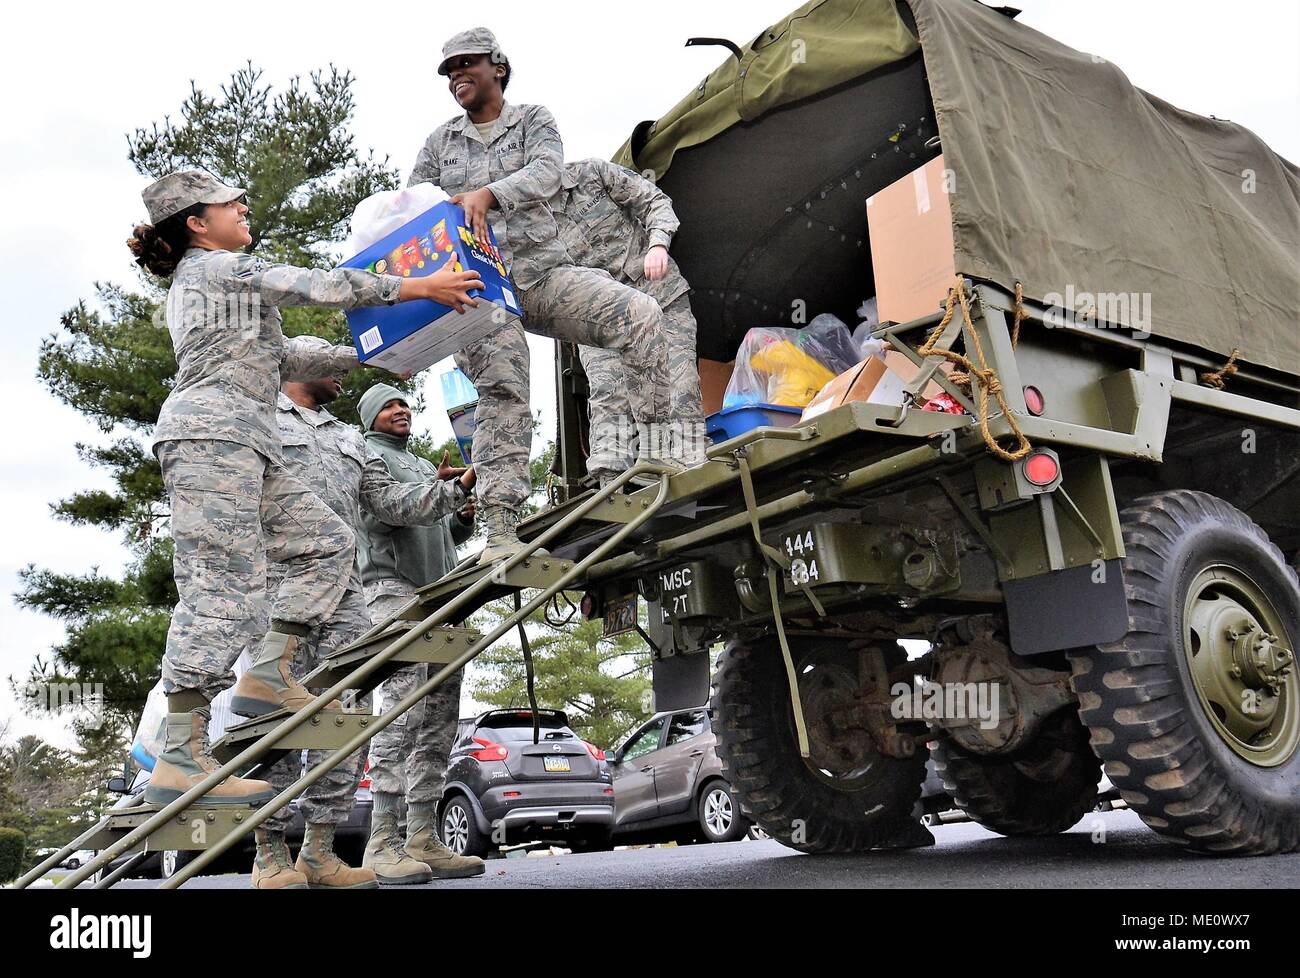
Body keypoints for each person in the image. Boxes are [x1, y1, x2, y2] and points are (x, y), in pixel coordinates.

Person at [128, 169, 482, 820]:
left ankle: (268, 672)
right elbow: (318, 286)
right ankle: (181, 752)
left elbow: (288, 354)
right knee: (218, 594)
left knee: (327, 543)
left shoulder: (222, 285)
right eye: (228, 202)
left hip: (245, 444)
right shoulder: (211, 271)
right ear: (197, 224)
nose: (243, 204)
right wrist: (417, 287)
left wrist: (366, 359)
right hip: (209, 439)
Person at [408, 27, 681, 563]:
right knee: (504, 389)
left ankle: (654, 458)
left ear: (498, 68)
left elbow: (550, 171)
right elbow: (415, 208)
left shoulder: (533, 120)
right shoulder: (440, 143)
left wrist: (490, 193)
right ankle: (502, 525)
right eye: (449, 70)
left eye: (467, 64)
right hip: (482, 289)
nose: (457, 75)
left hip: (543, 275)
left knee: (642, 315)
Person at [246, 365, 476, 889]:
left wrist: (458, 499)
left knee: (363, 721)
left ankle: (336, 847)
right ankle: (277, 851)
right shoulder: (268, 420)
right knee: (289, 721)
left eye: (405, 403)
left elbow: (413, 515)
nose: (341, 377)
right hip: (324, 590)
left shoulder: (365, 447)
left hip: (390, 593)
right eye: (389, 403)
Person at [354, 383, 486, 883]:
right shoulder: (367, 456)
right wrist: (460, 487)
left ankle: (422, 834)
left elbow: (440, 530)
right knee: (403, 710)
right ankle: (383, 839)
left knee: (439, 718)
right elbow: (397, 510)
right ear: (370, 416)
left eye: (405, 403)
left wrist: (461, 514)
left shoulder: (419, 462)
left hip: (442, 593)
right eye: (388, 404)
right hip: (395, 589)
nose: (400, 410)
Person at [557, 158, 708, 483]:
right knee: (609, 395)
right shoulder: (528, 220)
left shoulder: (591, 173)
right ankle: (611, 486)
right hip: (598, 319)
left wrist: (657, 244)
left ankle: (691, 474)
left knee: (678, 388)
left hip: (659, 300)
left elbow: (654, 202)